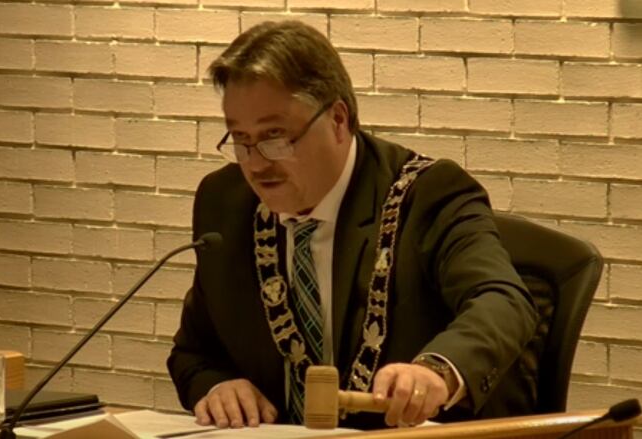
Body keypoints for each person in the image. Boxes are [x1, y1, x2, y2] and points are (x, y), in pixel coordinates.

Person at [167, 20, 538, 430]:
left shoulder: (427, 195)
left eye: (275, 136)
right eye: (240, 139)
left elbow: (503, 300)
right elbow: (192, 353)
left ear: (338, 120)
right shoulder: (225, 203)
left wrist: (436, 372)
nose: (256, 164)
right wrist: (217, 386)